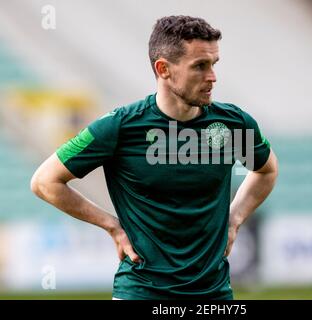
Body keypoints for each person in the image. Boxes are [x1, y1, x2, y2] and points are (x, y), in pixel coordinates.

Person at [30, 15, 278, 300]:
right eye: (200, 66)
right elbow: (45, 182)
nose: (212, 77)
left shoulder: (233, 125)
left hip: (213, 294)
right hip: (141, 292)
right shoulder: (121, 127)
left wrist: (235, 218)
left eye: (213, 64)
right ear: (164, 69)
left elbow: (266, 170)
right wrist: (111, 225)